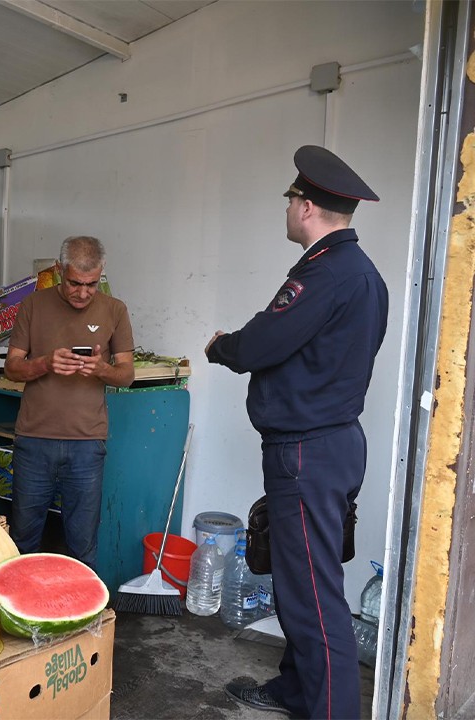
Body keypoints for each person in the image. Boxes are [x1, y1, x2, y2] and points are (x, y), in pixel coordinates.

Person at [205, 145, 388, 719]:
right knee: (302, 581)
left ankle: (330, 710)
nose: (286, 209)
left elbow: (260, 343)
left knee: (313, 598)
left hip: (307, 452)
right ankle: (297, 687)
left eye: (290, 200)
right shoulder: (364, 275)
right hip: (331, 446)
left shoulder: (325, 273)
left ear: (306, 206)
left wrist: (221, 347)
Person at [3, 236, 135, 569]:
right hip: (34, 440)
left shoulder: (115, 309)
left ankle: (82, 619)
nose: (83, 292)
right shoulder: (33, 305)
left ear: (101, 273)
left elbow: (127, 375)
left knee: (82, 543)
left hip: (87, 445)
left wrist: (102, 368)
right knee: (23, 538)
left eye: (92, 285)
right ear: (60, 270)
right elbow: (12, 368)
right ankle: (22, 616)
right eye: (75, 283)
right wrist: (45, 363)